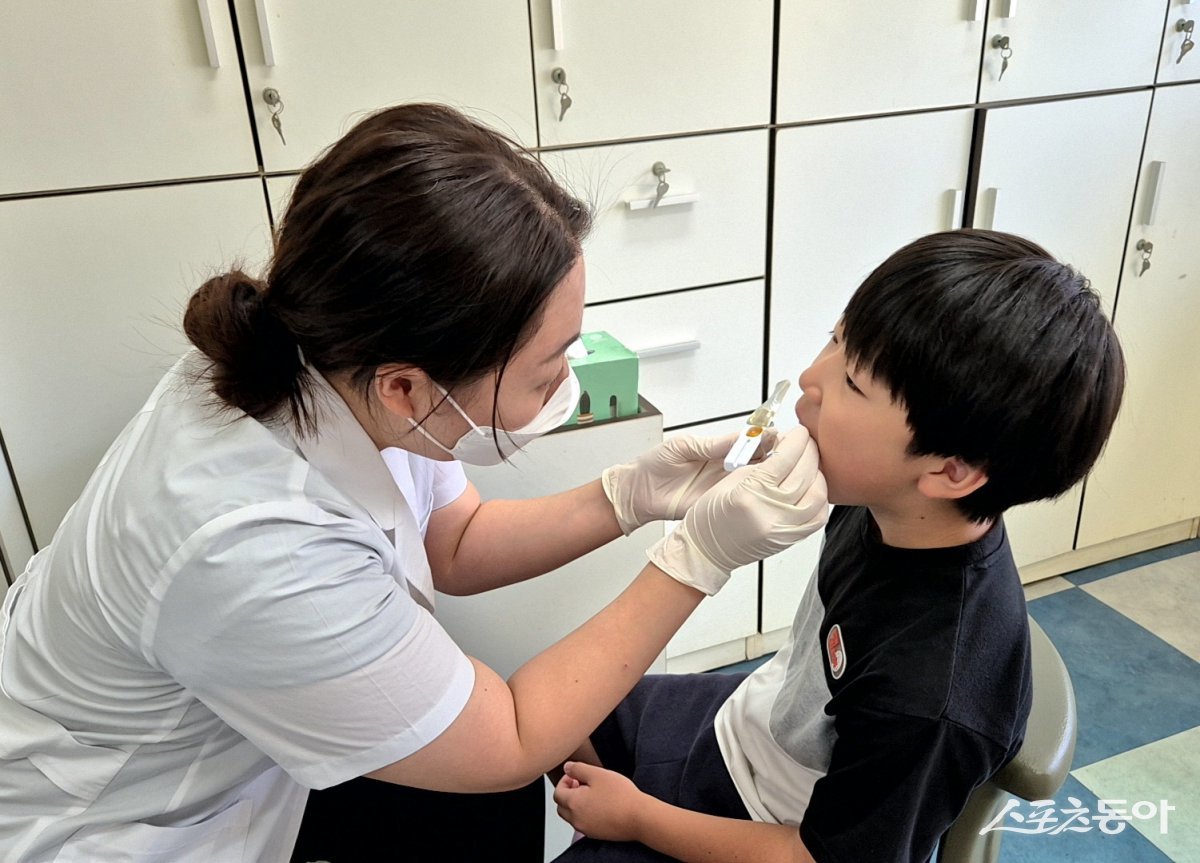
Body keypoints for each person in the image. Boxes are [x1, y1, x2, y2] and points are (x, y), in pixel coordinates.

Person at [0, 103, 829, 862]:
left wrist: (625, 496)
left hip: (240, 725)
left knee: (483, 806)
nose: (566, 383)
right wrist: (698, 557)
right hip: (117, 816)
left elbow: (456, 541)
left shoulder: (337, 358)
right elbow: (505, 738)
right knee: (490, 784)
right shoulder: (251, 541)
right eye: (546, 369)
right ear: (410, 386)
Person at [550, 229, 1127, 863]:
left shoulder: (932, 696)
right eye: (835, 337)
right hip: (749, 730)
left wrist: (639, 819)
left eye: (852, 382)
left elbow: (817, 856)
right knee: (553, 718)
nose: (809, 378)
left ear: (950, 470)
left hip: (779, 830)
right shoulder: (880, 502)